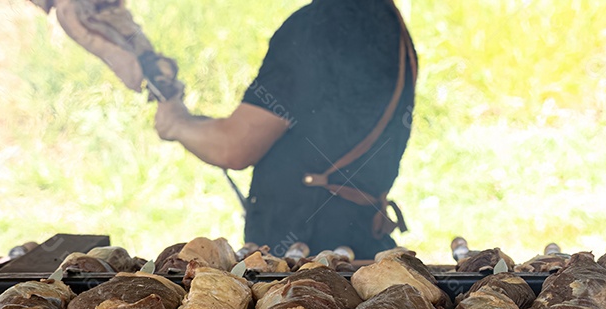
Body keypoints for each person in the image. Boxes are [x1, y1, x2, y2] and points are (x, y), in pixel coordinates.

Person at [154, 0, 416, 259]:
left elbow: (233, 147)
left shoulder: (316, 25)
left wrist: (176, 123)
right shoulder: (390, 23)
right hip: (362, 248)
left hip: (304, 263)